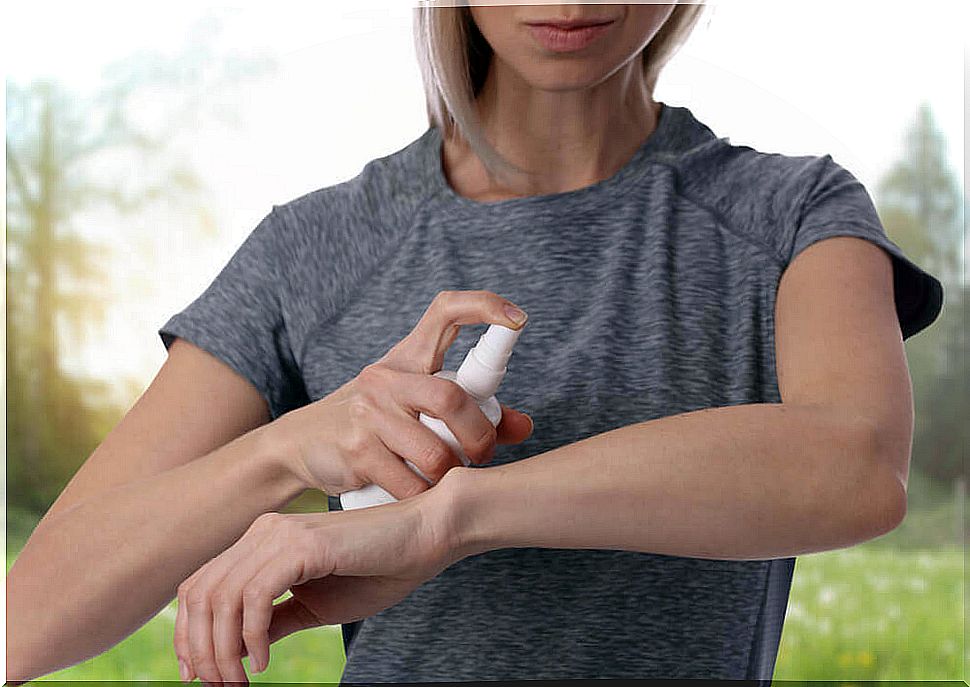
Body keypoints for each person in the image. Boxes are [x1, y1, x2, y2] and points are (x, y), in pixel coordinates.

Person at [6, 2, 944, 683]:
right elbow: (28, 621)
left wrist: (451, 516)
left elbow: (857, 468)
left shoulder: (792, 215)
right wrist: (286, 446)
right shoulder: (316, 247)